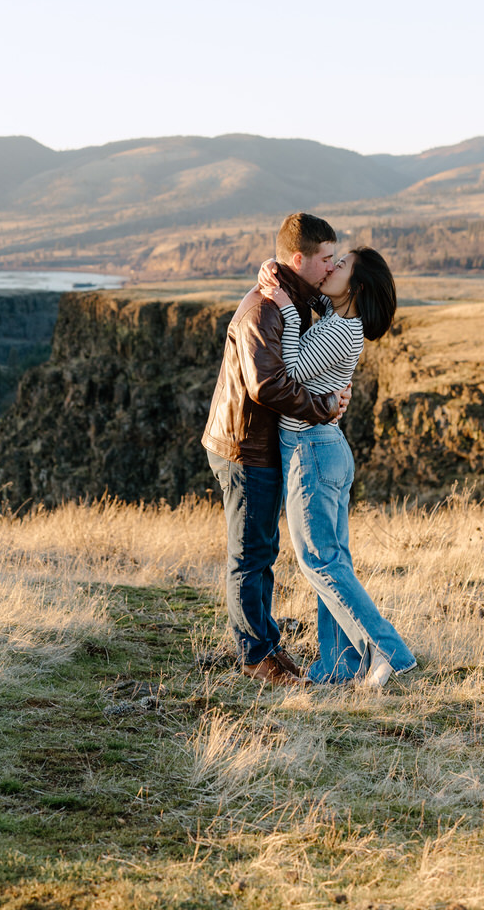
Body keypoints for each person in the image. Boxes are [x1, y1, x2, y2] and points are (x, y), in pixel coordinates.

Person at [202, 213, 351, 687]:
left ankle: (265, 646)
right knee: (251, 553)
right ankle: (254, 658)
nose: (331, 267)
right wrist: (324, 407)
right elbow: (267, 385)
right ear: (298, 259)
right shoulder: (266, 307)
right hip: (245, 446)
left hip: (262, 443)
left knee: (262, 549)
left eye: (335, 259)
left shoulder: (295, 296)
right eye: (325, 259)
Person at [258, 246, 417, 686]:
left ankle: (390, 653)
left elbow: (289, 369)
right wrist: (273, 270)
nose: (331, 268)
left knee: (319, 562)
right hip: (322, 447)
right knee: (332, 561)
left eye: (341, 265)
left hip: (310, 449)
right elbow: (316, 295)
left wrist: (287, 312)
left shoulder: (341, 331)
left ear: (357, 286)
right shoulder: (340, 316)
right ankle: (340, 667)